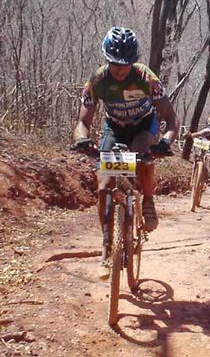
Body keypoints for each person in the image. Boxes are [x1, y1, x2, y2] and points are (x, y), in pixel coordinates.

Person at [71, 26, 179, 279]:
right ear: (106, 58)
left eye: (126, 63)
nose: (120, 68)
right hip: (115, 128)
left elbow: (171, 118)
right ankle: (107, 249)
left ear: (134, 61)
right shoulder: (97, 81)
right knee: (103, 186)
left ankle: (148, 201)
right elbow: (83, 121)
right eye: (114, 63)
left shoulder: (146, 78)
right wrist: (81, 139)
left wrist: (165, 142)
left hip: (144, 125)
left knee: (143, 153)